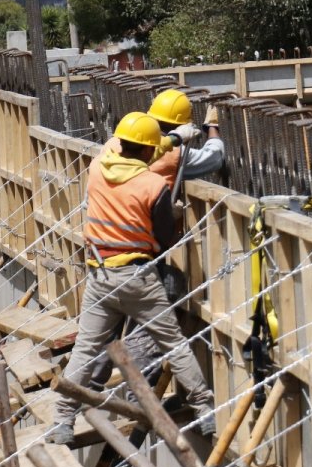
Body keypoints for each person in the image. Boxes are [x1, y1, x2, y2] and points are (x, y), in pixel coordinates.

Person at [47, 112, 216, 445]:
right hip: (138, 280)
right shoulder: (153, 185)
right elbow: (165, 239)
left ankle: (62, 421)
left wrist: (173, 139)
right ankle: (205, 410)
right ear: (148, 150)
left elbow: (133, 147)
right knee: (173, 345)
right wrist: (173, 212)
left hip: (100, 276)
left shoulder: (98, 167)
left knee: (85, 350)